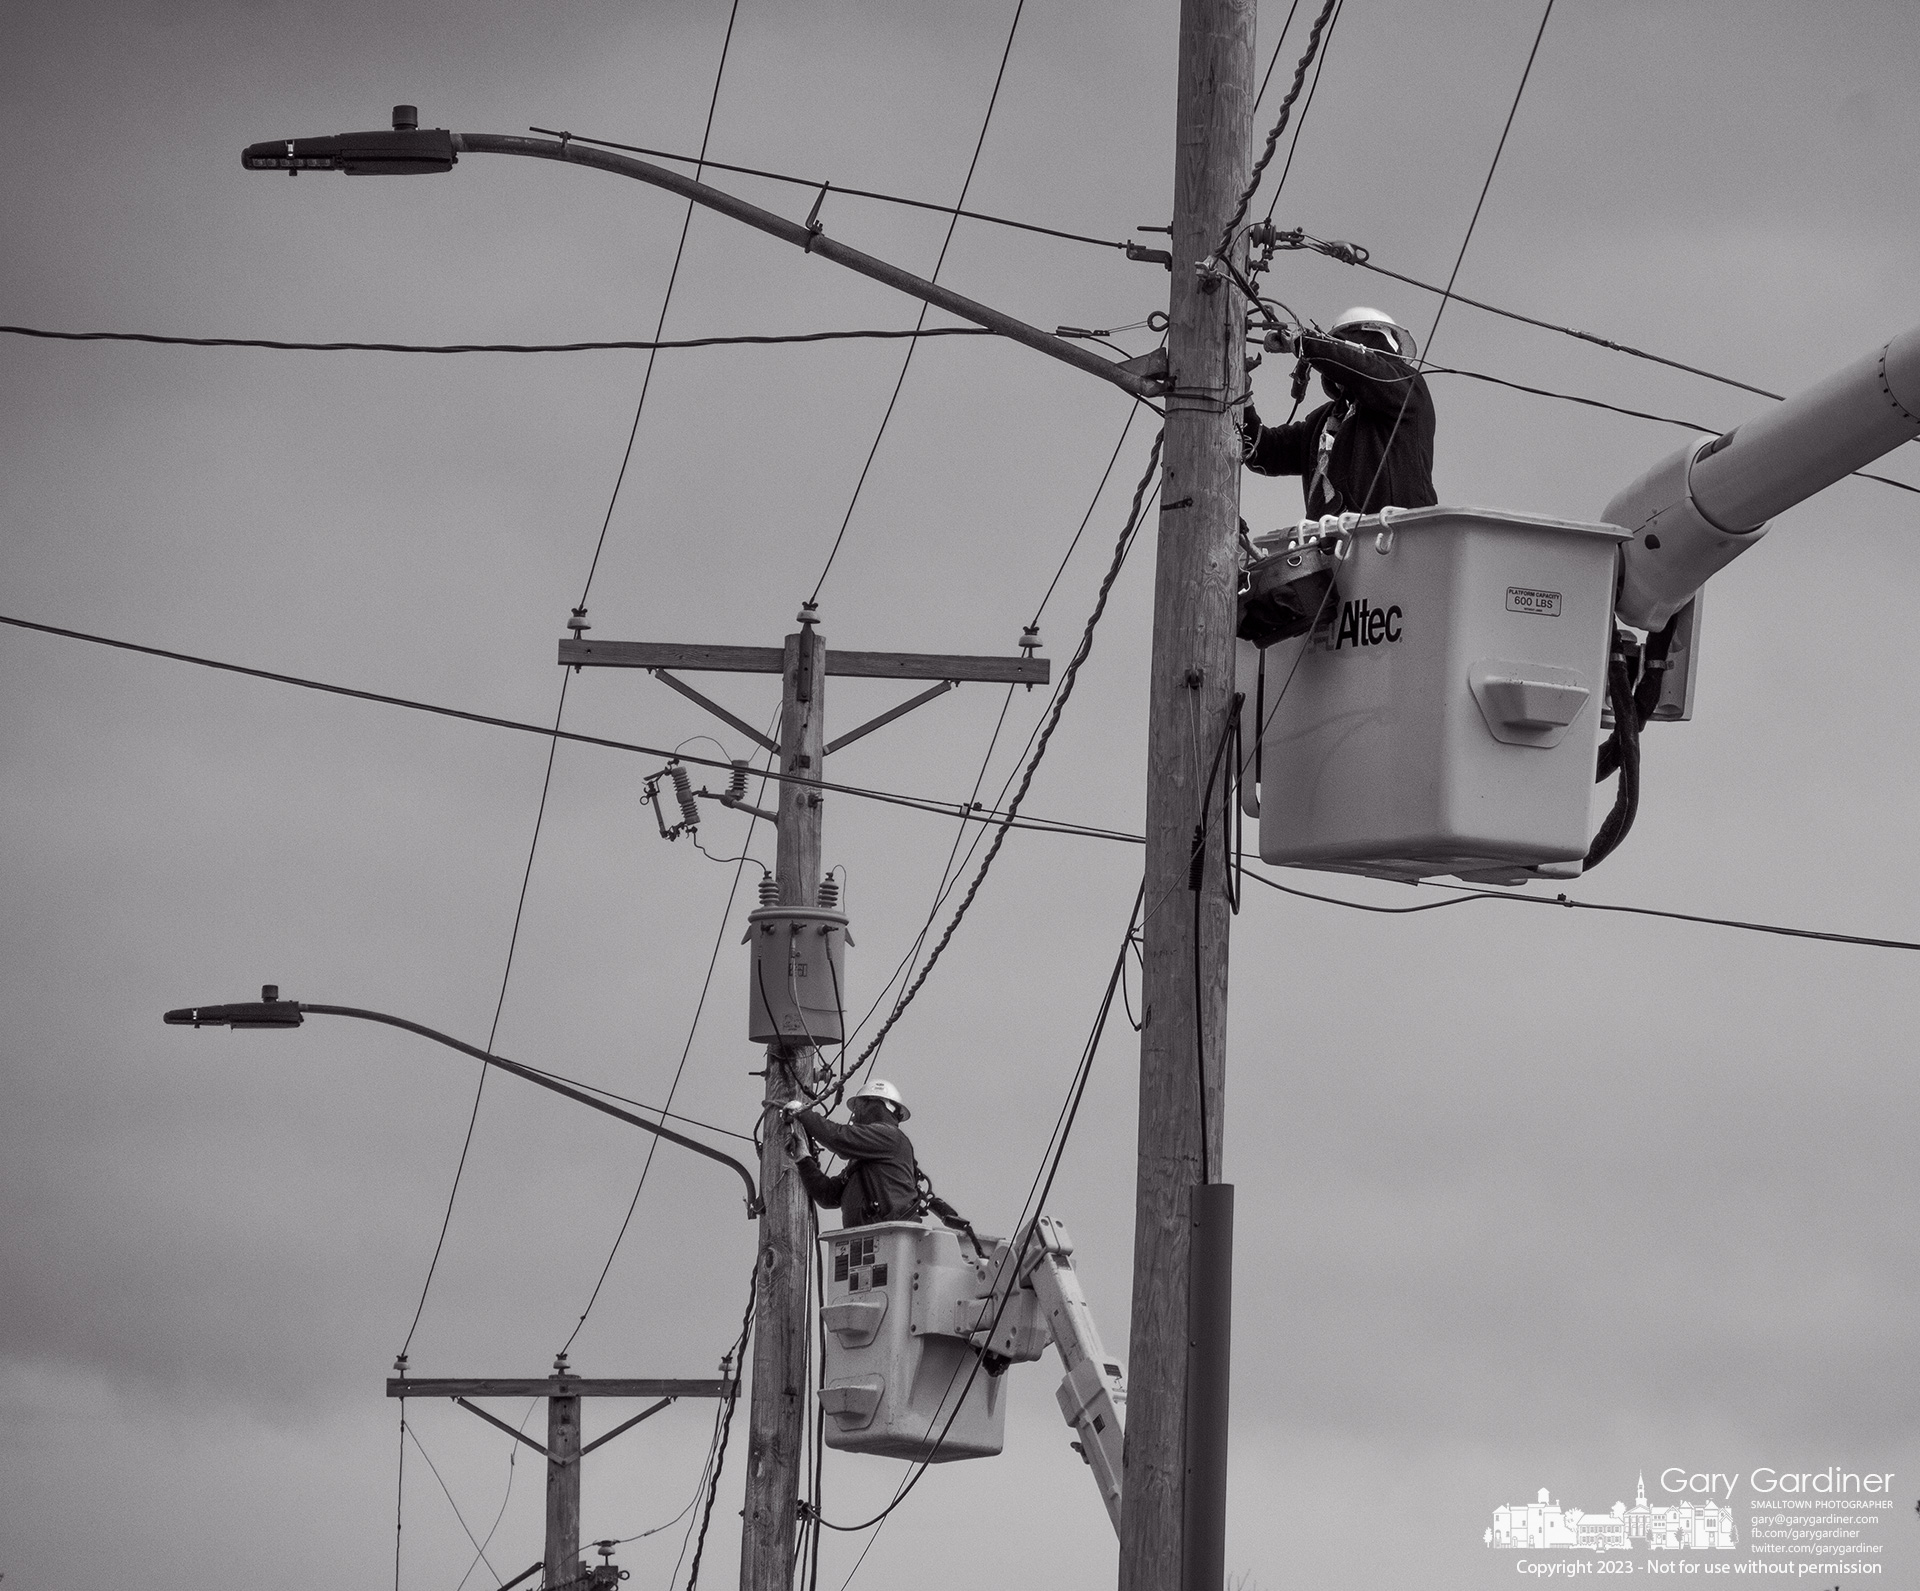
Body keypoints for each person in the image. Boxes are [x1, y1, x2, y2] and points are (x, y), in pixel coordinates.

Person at [1241, 306, 1437, 518]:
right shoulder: (1323, 421)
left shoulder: (1406, 388)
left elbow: (1367, 371)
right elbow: (1266, 450)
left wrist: (1303, 342)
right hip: (1333, 544)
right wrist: (1242, 401)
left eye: (1335, 346)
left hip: (1398, 536)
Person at [781, 1079, 921, 1229]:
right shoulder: (866, 1157)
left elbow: (837, 1138)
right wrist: (803, 1158)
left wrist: (803, 1113)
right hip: (868, 1240)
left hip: (891, 1237)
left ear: (874, 1104)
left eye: (857, 1108)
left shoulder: (890, 1136)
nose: (853, 1117)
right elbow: (828, 1195)